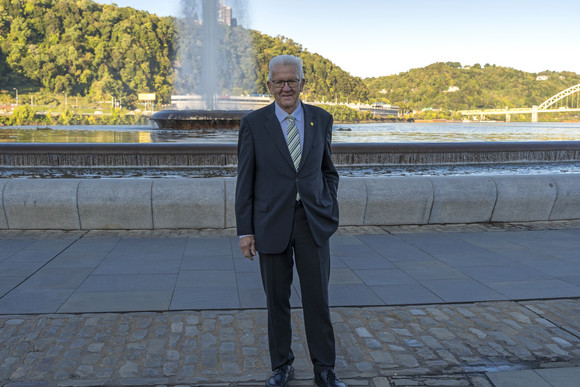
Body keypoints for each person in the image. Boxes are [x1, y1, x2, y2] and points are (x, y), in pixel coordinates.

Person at [235, 55, 347, 387]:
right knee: (277, 301)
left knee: (318, 298)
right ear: (268, 85)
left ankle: (324, 368)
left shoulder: (321, 119)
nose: (286, 87)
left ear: (302, 83)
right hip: (270, 223)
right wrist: (245, 231)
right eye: (279, 81)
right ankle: (281, 366)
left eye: (292, 81)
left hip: (313, 222)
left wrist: (328, 205)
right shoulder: (253, 124)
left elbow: (329, 171)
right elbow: (246, 181)